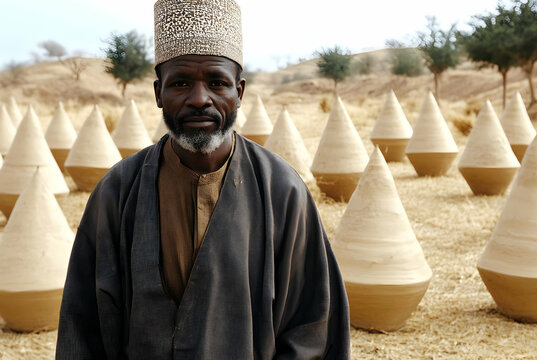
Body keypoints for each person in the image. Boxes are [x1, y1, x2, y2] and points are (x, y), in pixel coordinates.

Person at [55, 0, 351, 358]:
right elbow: (83, 325)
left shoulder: (282, 192)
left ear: (238, 92)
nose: (199, 99)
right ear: (158, 94)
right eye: (180, 83)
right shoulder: (117, 192)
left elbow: (311, 328)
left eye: (216, 82)